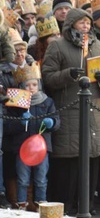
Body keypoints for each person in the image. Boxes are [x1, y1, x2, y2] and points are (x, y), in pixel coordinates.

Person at [41, 8, 100, 216]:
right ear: (71, 24)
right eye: (81, 22)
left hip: (95, 112)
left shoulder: (95, 44)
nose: (86, 26)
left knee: (92, 161)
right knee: (70, 165)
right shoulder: (57, 46)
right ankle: (68, 209)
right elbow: (48, 77)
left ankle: (88, 206)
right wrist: (68, 74)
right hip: (70, 112)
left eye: (88, 23)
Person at [4, 64, 59, 211]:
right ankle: (22, 204)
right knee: (22, 178)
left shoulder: (47, 102)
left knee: (41, 177)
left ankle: (41, 203)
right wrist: (21, 123)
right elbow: (7, 126)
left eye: (34, 84)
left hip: (41, 147)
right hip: (22, 147)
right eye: (27, 85)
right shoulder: (16, 104)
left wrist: (51, 122)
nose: (31, 88)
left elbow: (57, 121)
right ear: (21, 87)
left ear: (39, 85)